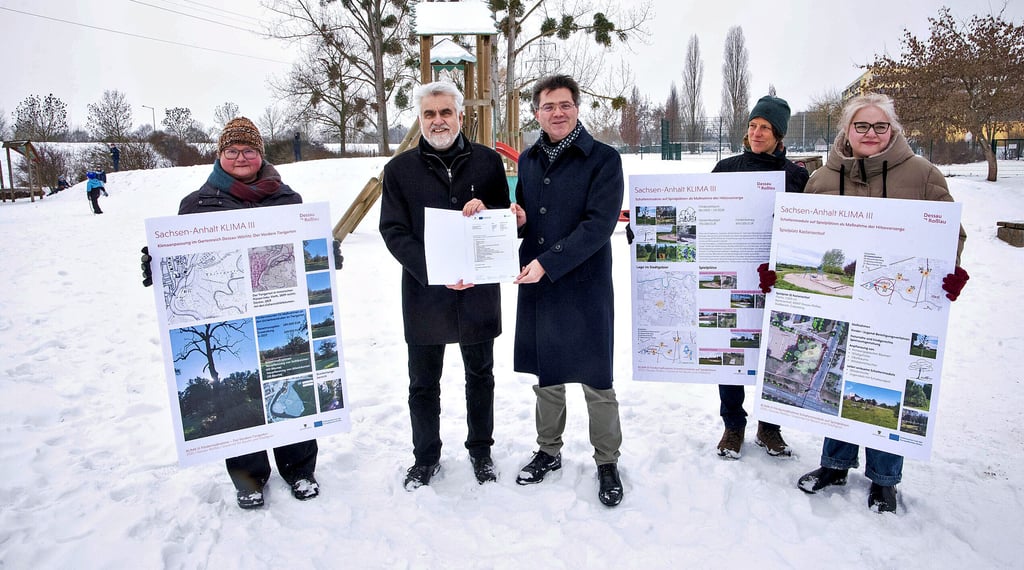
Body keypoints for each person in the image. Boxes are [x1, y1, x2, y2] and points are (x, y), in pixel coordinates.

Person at [786, 93, 969, 513]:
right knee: (838, 378)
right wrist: (780, 274)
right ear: (847, 131)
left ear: (893, 129)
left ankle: (885, 480)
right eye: (862, 126)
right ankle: (834, 465)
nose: (871, 133)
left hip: (895, 306)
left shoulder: (923, 175)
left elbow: (951, 232)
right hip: (842, 303)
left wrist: (951, 270)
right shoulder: (822, 179)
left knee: (885, 385)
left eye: (880, 126)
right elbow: (801, 233)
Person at [147, 117, 321, 509]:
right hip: (228, 317)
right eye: (232, 150)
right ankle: (248, 477)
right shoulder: (197, 204)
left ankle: (299, 468)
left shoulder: (287, 199)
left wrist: (323, 256)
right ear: (220, 154)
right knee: (236, 396)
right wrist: (156, 263)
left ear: (261, 154)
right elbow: (184, 263)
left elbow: (302, 248)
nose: (241, 157)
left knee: (287, 380)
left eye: (249, 150)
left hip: (277, 310)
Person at [379, 81, 510, 490]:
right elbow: (393, 230)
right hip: (425, 294)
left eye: (445, 112)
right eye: (430, 114)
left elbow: (503, 220)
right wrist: (433, 269)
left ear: (460, 116)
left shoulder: (488, 163)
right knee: (422, 383)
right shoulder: (399, 171)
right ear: (420, 119)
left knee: (481, 376)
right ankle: (425, 456)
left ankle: (481, 450)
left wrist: (486, 210)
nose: (438, 121)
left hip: (476, 290)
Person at [510, 74, 625, 507]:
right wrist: (520, 222)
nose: (557, 113)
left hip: (584, 285)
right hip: (540, 284)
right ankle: (548, 450)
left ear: (577, 108)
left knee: (597, 379)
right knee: (548, 375)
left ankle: (607, 460)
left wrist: (547, 262)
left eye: (564, 105)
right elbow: (531, 215)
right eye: (548, 106)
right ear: (536, 113)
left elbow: (598, 226)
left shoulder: (604, 159)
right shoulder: (528, 159)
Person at [711, 95, 808, 460]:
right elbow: (703, 213)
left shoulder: (796, 176)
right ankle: (733, 425)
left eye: (765, 127)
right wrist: (648, 232)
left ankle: (770, 426)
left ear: (779, 134)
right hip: (733, 280)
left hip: (776, 283)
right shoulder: (726, 169)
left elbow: (808, 230)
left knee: (777, 351)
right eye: (752, 125)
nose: (756, 132)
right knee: (731, 350)